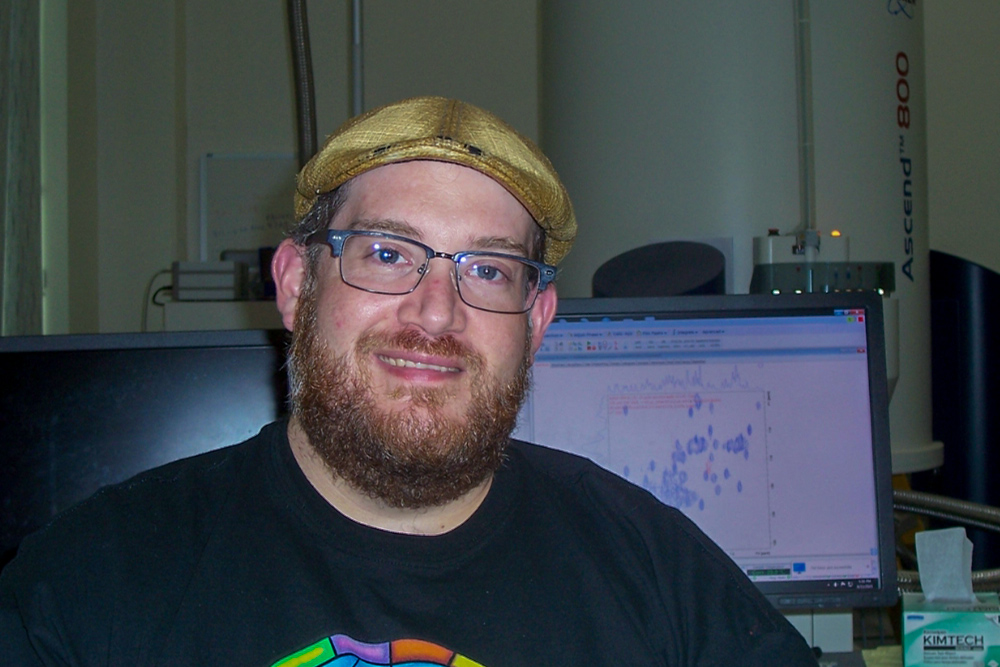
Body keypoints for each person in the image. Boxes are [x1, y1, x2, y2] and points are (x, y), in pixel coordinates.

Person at [0, 96, 818, 666]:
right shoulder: (88, 587)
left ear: (535, 320)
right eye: (387, 253)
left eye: (489, 270)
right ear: (294, 284)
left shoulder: (658, 574)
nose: (436, 313)